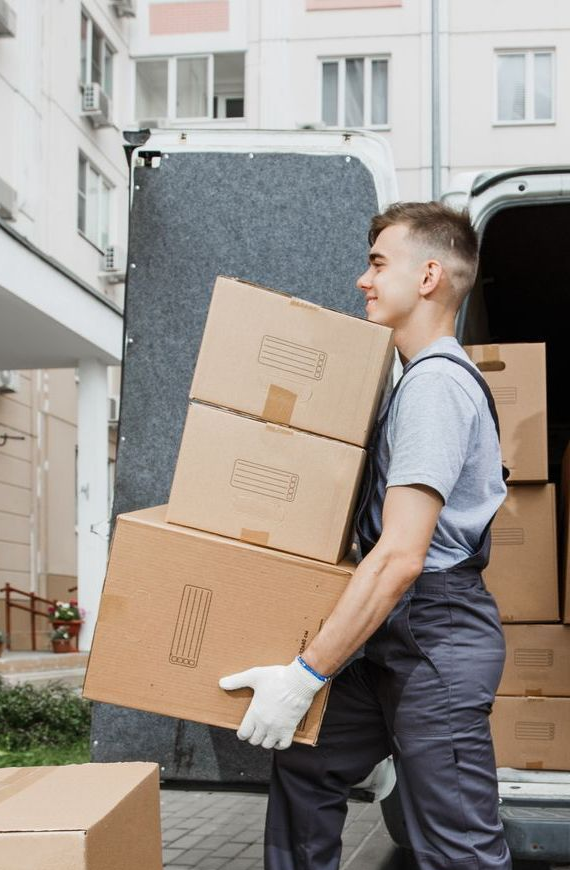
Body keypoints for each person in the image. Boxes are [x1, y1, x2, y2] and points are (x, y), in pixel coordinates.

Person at [220, 201, 511, 870]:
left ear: (430, 275)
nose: (363, 279)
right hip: (394, 640)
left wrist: (306, 673)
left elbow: (402, 557)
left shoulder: (436, 386)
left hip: (434, 641)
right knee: (305, 761)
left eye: (379, 263)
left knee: (456, 845)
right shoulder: (415, 382)